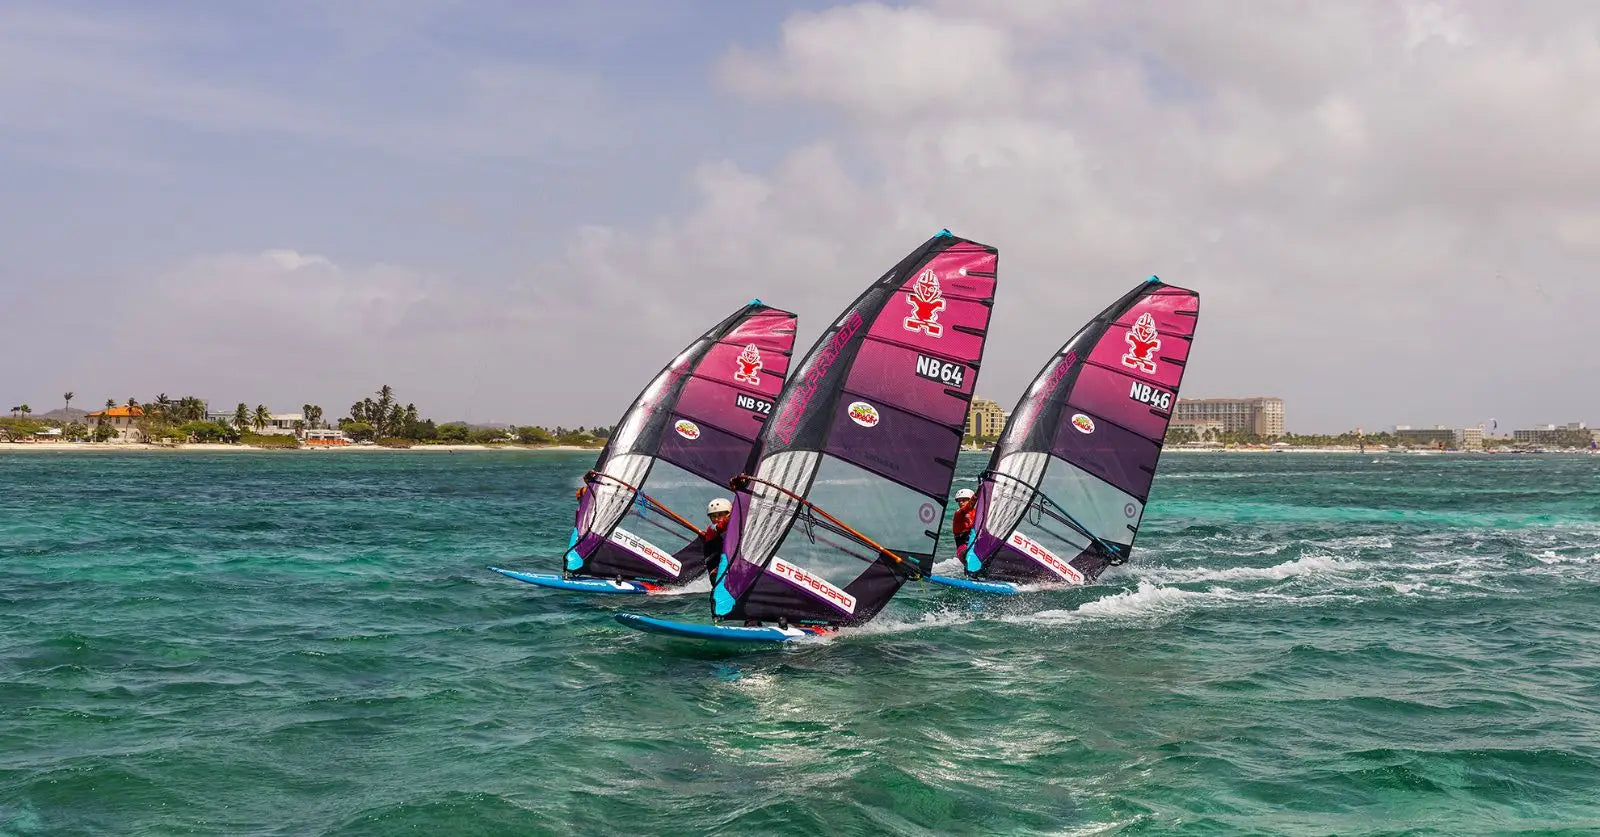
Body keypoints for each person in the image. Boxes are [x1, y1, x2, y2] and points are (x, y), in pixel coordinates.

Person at [702, 497, 732, 580]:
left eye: (720, 515)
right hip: (716, 568)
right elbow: (723, 525)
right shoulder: (712, 529)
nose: (716, 519)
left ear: (728, 514)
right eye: (713, 516)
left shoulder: (732, 523)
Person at [951, 488, 977, 558]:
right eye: (959, 500)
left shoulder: (977, 512)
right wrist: (977, 494)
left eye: (964, 500)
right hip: (962, 549)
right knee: (968, 553)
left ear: (969, 500)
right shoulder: (958, 513)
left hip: (974, 543)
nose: (960, 502)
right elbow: (968, 507)